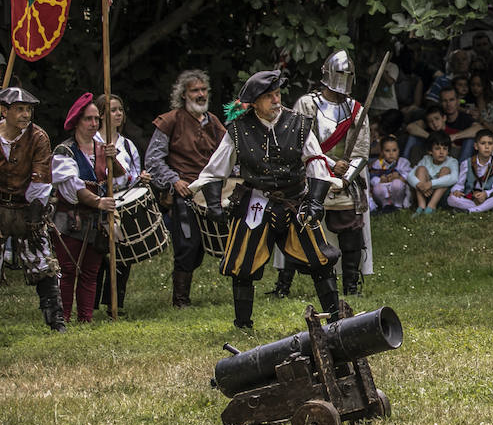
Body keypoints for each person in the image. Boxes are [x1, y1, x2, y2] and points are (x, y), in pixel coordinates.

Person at [192, 70, 340, 330]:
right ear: (255, 102)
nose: (276, 100)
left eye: (278, 94)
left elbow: (316, 162)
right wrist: (214, 205)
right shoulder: (237, 130)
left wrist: (315, 201)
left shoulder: (300, 124)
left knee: (320, 260)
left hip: (296, 200)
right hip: (256, 201)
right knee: (241, 265)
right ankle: (242, 325)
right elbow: (216, 170)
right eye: (269, 96)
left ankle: (336, 318)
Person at [274, 51, 373, 299]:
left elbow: (361, 152)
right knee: (296, 227)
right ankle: (283, 286)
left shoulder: (357, 110)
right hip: (309, 175)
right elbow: (299, 142)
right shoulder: (307, 104)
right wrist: (329, 165)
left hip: (344, 182)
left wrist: (344, 178)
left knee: (351, 230)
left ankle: (351, 286)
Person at [145, 69, 226, 309]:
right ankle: (180, 300)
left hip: (210, 192)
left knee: (203, 246)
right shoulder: (170, 120)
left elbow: (227, 153)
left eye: (203, 90)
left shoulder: (213, 122)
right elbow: (153, 160)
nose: (200, 94)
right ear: (184, 94)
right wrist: (173, 180)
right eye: (195, 90)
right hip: (185, 192)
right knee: (187, 244)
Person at [50, 93, 125, 324]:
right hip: (70, 219)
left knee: (90, 273)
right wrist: (98, 202)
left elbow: (120, 179)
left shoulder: (103, 148)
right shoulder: (65, 151)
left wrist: (114, 159)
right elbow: (74, 188)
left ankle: (86, 319)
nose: (94, 124)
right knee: (68, 270)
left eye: (96, 119)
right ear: (77, 121)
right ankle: (62, 318)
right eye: (88, 119)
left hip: (97, 221)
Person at [0, 87, 64, 331]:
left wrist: (34, 214)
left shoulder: (38, 137)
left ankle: (56, 321)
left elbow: (41, 179)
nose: (26, 114)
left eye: (28, 109)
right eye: (20, 109)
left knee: (42, 263)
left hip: (27, 207)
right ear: (5, 111)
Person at [93, 93, 150, 318]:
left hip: (123, 202)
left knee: (123, 256)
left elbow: (133, 175)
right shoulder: (93, 142)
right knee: (99, 255)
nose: (118, 114)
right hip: (100, 202)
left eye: (120, 110)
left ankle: (115, 303)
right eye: (113, 110)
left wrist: (141, 178)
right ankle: (93, 303)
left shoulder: (128, 144)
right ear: (101, 115)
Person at [445, 129, 493, 213]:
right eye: (483, 143)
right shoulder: (467, 163)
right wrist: (456, 191)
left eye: (490, 143)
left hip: (488, 197)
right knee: (451, 199)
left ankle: (472, 210)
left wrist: (486, 194)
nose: (487, 147)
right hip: (471, 197)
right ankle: (487, 208)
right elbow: (459, 184)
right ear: (475, 146)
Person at [408, 133, 459, 212]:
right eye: (437, 148)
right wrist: (420, 185)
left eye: (445, 149)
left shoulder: (452, 161)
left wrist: (431, 184)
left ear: (448, 151)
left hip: (443, 197)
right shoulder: (426, 159)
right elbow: (410, 175)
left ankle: (431, 207)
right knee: (420, 169)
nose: (441, 152)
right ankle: (421, 207)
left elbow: (454, 178)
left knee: (445, 170)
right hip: (425, 194)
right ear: (430, 151)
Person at [368, 136, 411, 212]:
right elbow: (372, 177)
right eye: (387, 150)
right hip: (384, 188)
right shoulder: (378, 163)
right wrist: (379, 180)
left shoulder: (403, 162)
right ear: (382, 152)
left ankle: (398, 205)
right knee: (377, 188)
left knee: (397, 183)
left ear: (399, 150)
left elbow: (409, 174)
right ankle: (386, 205)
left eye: (394, 150)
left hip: (398, 192)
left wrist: (399, 177)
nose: (391, 153)